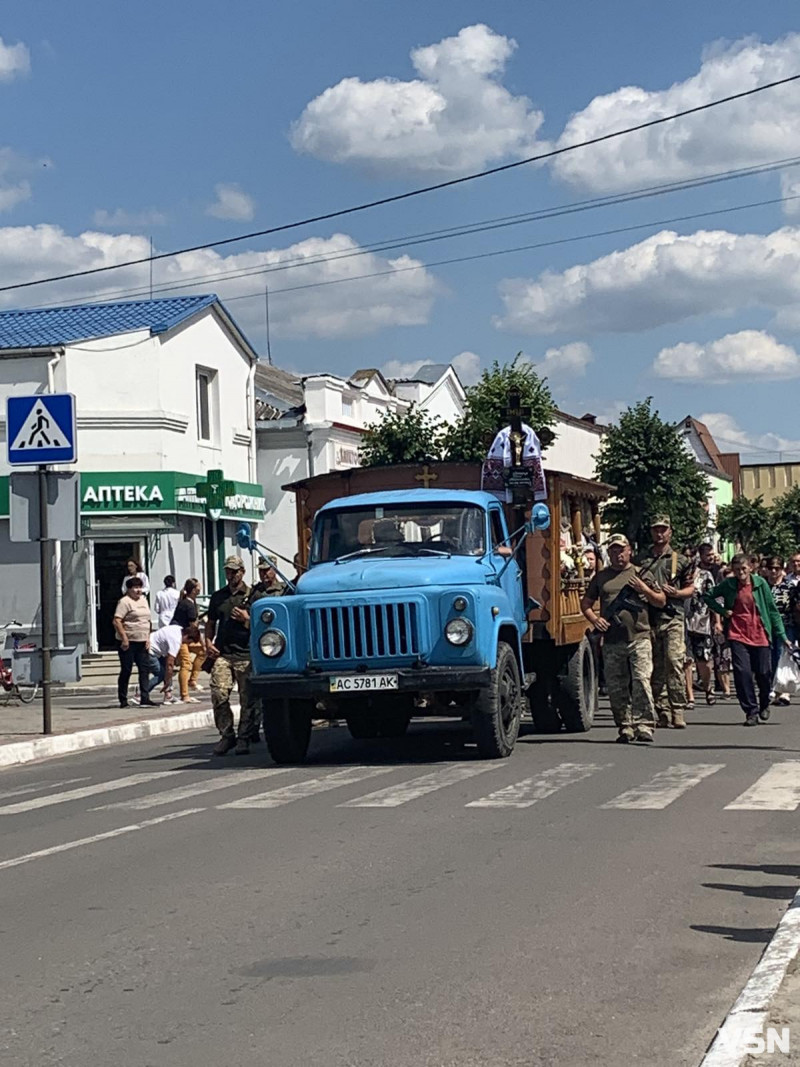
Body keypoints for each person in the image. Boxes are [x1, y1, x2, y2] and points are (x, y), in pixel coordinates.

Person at [581, 533, 666, 744]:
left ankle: (645, 724)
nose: (618, 554)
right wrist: (595, 620)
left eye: (622, 549)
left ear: (630, 551)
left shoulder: (640, 573)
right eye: (614, 550)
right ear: (609, 553)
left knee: (641, 680)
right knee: (617, 686)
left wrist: (644, 589)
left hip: (640, 636)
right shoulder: (601, 577)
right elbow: (586, 603)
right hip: (612, 640)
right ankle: (625, 725)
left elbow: (661, 601)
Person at [704, 554, 791, 726]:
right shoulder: (729, 584)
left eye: (743, 569)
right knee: (742, 673)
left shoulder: (760, 583)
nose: (741, 573)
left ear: (750, 567)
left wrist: (783, 636)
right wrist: (722, 611)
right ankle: (751, 711)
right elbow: (708, 596)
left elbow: (772, 611)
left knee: (764, 673)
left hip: (760, 635)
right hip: (738, 635)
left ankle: (764, 703)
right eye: (737, 570)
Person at [637, 516, 696, 729]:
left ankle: (677, 707)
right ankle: (662, 709)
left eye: (663, 529)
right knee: (656, 665)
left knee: (674, 661)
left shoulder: (680, 560)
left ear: (670, 532)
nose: (659, 534)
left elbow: (691, 588)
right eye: (656, 530)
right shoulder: (642, 559)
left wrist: (677, 592)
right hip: (649, 618)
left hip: (673, 616)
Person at [206, 556, 258, 756]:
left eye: (234, 571)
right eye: (228, 571)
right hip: (223, 654)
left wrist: (247, 619)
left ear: (242, 572)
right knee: (219, 694)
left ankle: (244, 737)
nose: (230, 575)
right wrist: (208, 642)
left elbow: (263, 625)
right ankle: (227, 735)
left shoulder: (254, 595)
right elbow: (211, 623)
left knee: (248, 699)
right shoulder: (219, 597)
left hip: (246, 654)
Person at [113, 577, 154, 708]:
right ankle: (123, 699)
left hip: (142, 640)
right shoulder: (124, 602)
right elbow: (117, 620)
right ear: (129, 589)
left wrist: (148, 638)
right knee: (126, 669)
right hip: (128, 641)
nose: (138, 590)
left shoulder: (144, 600)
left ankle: (145, 697)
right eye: (135, 588)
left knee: (144, 669)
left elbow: (147, 620)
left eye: (140, 587)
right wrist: (124, 638)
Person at [685, 560, 717, 708]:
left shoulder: (705, 576)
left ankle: (707, 687)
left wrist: (717, 621)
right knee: (686, 660)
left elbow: (714, 599)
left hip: (701, 624)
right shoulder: (677, 577)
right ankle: (690, 696)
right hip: (682, 623)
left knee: (702, 660)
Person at [145, 623, 200, 704]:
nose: (187, 644)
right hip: (150, 652)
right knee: (161, 674)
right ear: (186, 636)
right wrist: (167, 679)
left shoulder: (178, 628)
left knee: (166, 670)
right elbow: (170, 663)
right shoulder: (176, 640)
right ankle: (141, 694)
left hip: (154, 648)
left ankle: (168, 695)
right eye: (188, 642)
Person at [766, 556, 794, 706]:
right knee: (769, 659)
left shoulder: (789, 586)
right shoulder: (763, 586)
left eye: (777, 568)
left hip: (786, 626)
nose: (774, 571)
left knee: (783, 657)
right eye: (771, 568)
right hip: (766, 627)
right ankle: (773, 688)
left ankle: (784, 691)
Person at [172, 578, 205, 701]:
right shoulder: (189, 605)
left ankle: (193, 680)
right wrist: (202, 642)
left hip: (186, 636)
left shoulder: (188, 602)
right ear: (193, 590)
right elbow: (193, 628)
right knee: (186, 663)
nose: (200, 589)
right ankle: (184, 694)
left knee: (202, 652)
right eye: (198, 587)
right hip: (180, 637)